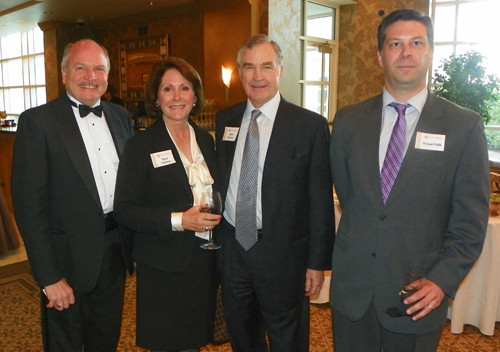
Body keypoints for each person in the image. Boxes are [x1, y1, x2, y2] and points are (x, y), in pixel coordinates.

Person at [329, 9, 490, 352]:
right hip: (354, 289)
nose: (406, 52)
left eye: (416, 43)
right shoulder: (347, 122)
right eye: (395, 44)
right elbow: (352, 197)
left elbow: (470, 223)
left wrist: (442, 280)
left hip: (418, 292)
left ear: (430, 52)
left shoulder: (463, 127)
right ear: (379, 56)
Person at [11, 39, 135, 351]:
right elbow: (28, 207)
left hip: (115, 253)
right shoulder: (38, 122)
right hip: (65, 261)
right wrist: (49, 277)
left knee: (106, 340)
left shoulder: (121, 117)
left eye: (98, 69)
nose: (90, 76)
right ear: (64, 73)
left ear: (107, 76)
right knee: (64, 344)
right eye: (81, 68)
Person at [215, 34, 335, 352]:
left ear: (280, 70)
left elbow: (320, 199)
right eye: (249, 67)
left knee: (287, 338)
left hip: (284, 254)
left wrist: (317, 263)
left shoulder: (309, 126)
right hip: (234, 248)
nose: (258, 76)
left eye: (266, 66)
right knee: (242, 333)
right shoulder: (225, 120)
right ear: (240, 72)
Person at [113, 57, 222, 352]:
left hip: (203, 261)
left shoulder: (205, 139)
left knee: (196, 340)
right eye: (168, 89)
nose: (177, 97)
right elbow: (125, 210)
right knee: (170, 343)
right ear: (156, 98)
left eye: (184, 88)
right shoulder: (140, 146)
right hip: (163, 266)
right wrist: (179, 220)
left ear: (195, 95)